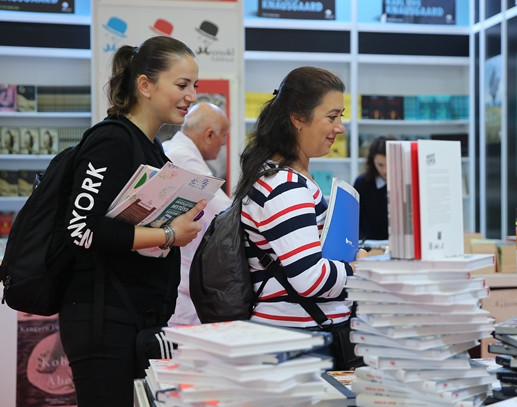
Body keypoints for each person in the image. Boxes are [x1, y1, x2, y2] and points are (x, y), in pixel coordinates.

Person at [59, 36, 206, 406]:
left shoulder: (153, 148)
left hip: (138, 319)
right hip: (103, 321)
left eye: (195, 86)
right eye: (181, 85)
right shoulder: (111, 141)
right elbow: (82, 229)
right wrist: (169, 233)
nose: (191, 96)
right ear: (145, 85)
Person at [234, 66, 366, 367]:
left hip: (300, 338)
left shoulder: (284, 178)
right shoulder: (286, 187)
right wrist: (359, 269)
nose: (340, 127)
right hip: (299, 343)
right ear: (297, 119)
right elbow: (309, 278)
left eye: (341, 116)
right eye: (332, 116)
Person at [163, 102, 233, 326]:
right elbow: (225, 214)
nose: (224, 143)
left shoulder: (172, 148)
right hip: (180, 281)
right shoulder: (183, 157)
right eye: (223, 136)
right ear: (210, 135)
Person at [353, 135, 395, 241]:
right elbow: (354, 221)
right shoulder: (361, 183)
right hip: (369, 248)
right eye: (380, 165)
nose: (385, 170)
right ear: (372, 162)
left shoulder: (409, 181)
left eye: (390, 163)